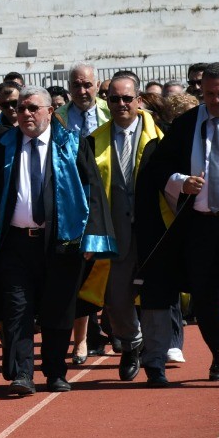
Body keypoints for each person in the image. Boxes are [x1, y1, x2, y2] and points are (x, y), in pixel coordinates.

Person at [0, 86, 110, 395]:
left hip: (61, 242)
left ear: (50, 112)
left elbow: (93, 191)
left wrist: (92, 239)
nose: (26, 114)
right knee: (17, 310)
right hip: (15, 243)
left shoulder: (73, 145)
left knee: (59, 310)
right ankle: (22, 374)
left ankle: (56, 371)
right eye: (21, 108)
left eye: (33, 108)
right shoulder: (2, 145)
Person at [136, 63, 219, 386]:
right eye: (209, 94)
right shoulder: (185, 125)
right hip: (197, 224)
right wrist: (180, 182)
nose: (215, 100)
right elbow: (158, 167)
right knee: (204, 297)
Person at [79, 75, 162, 382]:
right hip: (115, 231)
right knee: (116, 297)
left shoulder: (159, 137)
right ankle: (130, 345)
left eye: (127, 98)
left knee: (157, 294)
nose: (122, 104)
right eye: (114, 99)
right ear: (107, 101)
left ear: (138, 100)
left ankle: (156, 357)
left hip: (153, 227)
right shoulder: (93, 141)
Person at [57, 63, 110, 136]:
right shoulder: (57, 117)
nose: (82, 92)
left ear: (97, 86)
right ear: (69, 86)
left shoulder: (111, 111)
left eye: (87, 85)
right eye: (76, 85)